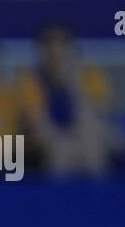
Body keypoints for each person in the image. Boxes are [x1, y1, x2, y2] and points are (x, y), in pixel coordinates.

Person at [16, 24, 118, 177]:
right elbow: (38, 125)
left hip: (89, 135)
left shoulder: (91, 75)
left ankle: (100, 194)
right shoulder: (30, 81)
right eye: (49, 46)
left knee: (93, 143)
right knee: (61, 151)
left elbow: (98, 116)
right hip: (52, 140)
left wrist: (71, 81)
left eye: (62, 45)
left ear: (73, 49)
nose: (55, 51)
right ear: (40, 51)